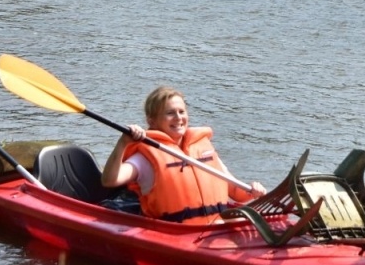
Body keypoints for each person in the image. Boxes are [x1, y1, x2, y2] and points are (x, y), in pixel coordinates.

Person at [100, 87, 265, 223]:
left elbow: (236, 193)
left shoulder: (203, 148)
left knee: (249, 220)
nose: (178, 118)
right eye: (170, 113)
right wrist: (123, 143)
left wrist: (253, 191)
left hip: (217, 229)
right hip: (176, 232)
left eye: (181, 111)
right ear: (152, 122)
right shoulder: (145, 156)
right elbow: (110, 180)